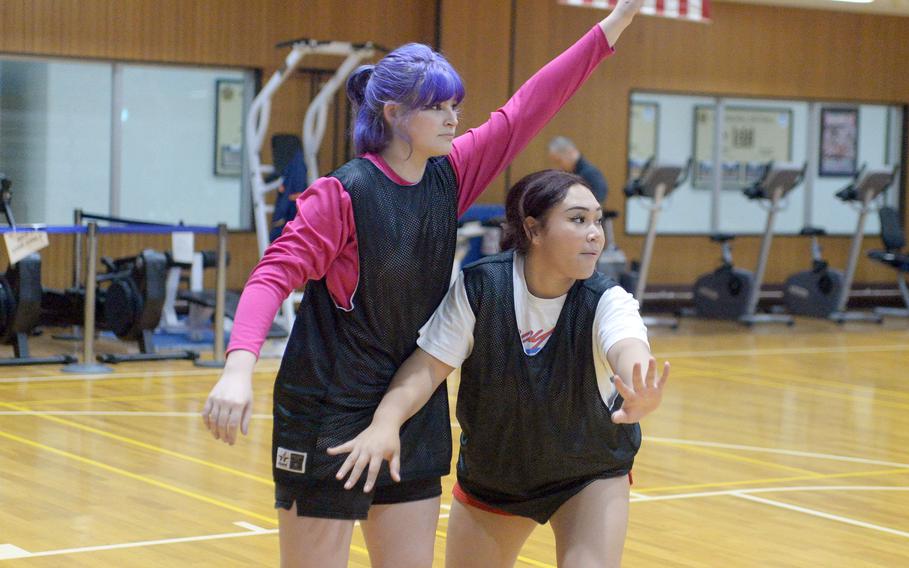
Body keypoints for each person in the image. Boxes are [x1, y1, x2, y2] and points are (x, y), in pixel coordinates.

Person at [202, 2, 646, 567]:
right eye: (436, 106)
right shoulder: (341, 195)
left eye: (453, 104)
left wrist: (615, 24)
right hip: (327, 407)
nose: (452, 116)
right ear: (392, 114)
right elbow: (270, 277)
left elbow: (531, 104)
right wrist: (238, 370)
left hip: (411, 406)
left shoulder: (451, 174)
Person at [331, 169, 668, 567]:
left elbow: (628, 347)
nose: (595, 233)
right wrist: (385, 422)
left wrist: (638, 387)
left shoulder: (607, 299)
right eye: (578, 220)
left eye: (597, 220)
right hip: (496, 476)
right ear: (534, 229)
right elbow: (426, 368)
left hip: (588, 470)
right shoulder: (480, 287)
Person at [548, 136, 609, 204]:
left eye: (559, 161)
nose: (557, 166)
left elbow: (598, 199)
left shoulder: (590, 174)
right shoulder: (572, 172)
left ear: (570, 152)